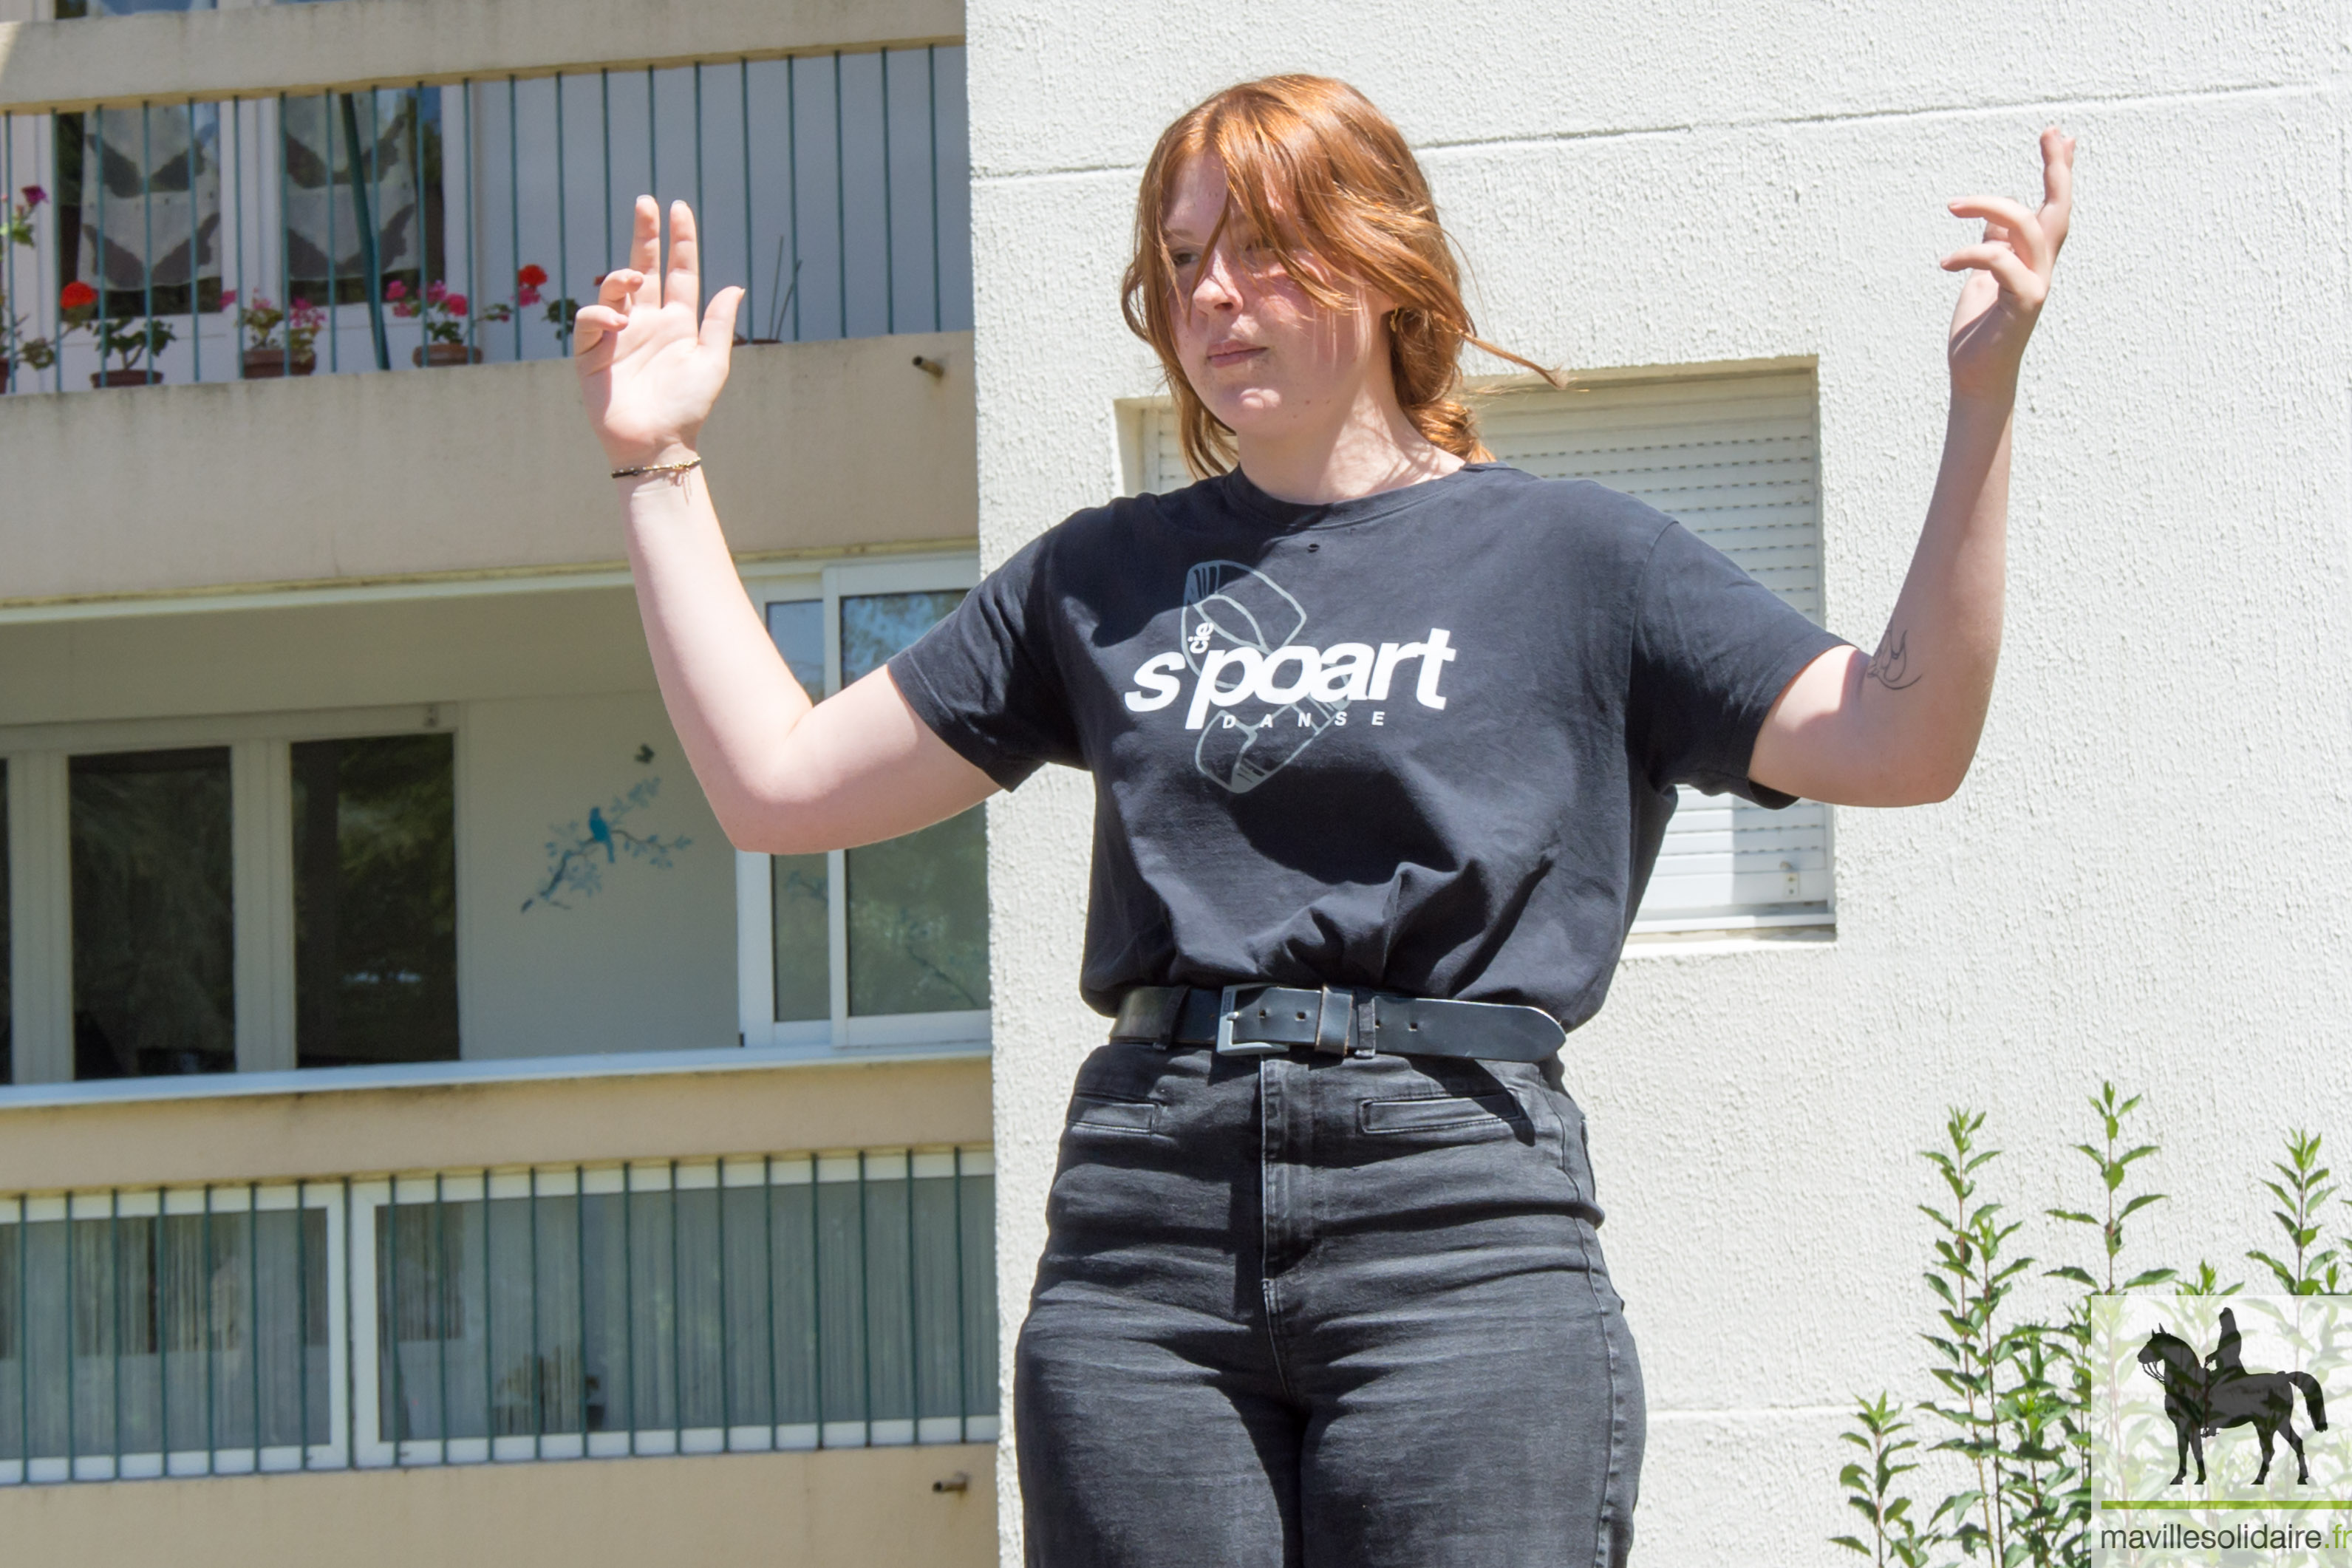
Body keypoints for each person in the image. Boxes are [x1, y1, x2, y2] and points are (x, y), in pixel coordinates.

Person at [573, 73, 2073, 1568]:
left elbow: (1899, 735)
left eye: (1262, 247)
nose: (1212, 294)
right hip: (1147, 1226)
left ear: (1380, 255)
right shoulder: (1095, 578)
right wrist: (655, 464)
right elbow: (778, 783)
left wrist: (1980, 404)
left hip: (1455, 1215)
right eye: (1182, 258)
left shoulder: (1579, 557)